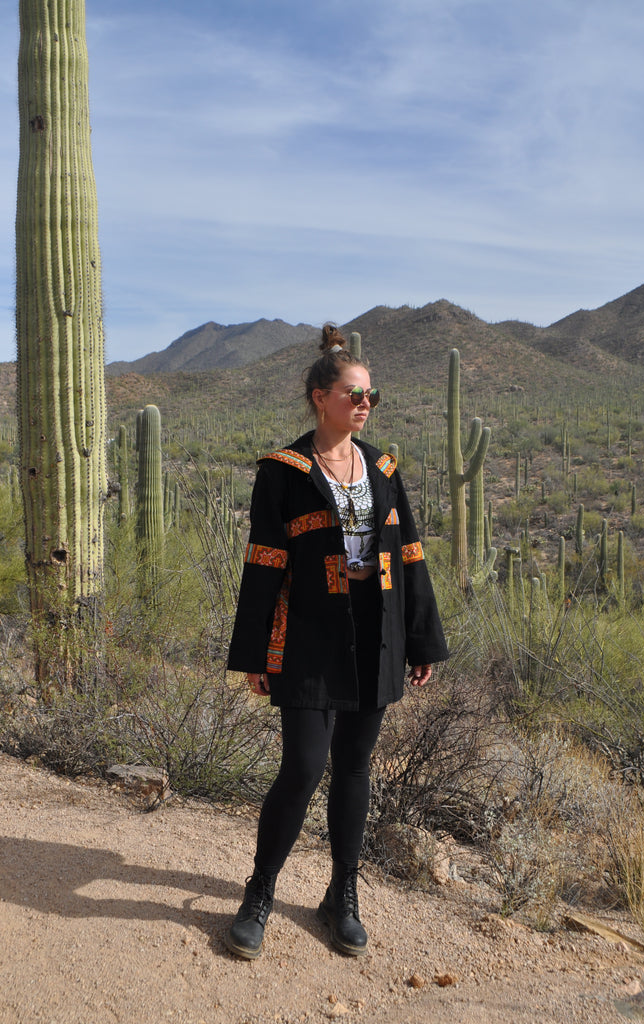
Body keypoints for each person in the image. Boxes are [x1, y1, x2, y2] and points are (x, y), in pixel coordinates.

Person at [225, 324, 448, 960]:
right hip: (307, 637)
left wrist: (421, 640)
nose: (365, 405)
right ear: (321, 397)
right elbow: (264, 563)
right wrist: (257, 654)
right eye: (355, 394)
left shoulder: (382, 467)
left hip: (376, 633)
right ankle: (260, 892)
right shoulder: (284, 472)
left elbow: (408, 556)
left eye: (372, 397)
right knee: (302, 766)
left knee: (354, 766)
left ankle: (340, 894)